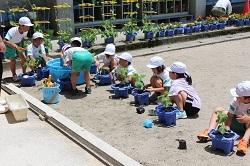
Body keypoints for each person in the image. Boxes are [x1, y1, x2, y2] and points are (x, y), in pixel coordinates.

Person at [197, 81, 250, 154]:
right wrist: (227, 129)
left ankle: (244, 141)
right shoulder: (235, 101)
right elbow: (230, 116)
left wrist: (248, 119)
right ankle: (210, 131)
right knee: (218, 109)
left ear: (247, 99)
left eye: (238, 96)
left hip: (246, 126)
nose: (236, 97)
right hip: (234, 121)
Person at [3, 17, 33, 81]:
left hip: (18, 44)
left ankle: (24, 73)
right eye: (27, 26)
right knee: (13, 60)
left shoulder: (25, 31)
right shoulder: (13, 31)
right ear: (21, 26)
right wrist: (13, 45)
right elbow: (4, 41)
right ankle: (14, 75)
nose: (28, 28)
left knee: (24, 59)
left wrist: (22, 46)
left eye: (29, 26)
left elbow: (22, 38)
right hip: (10, 45)